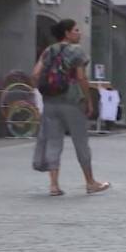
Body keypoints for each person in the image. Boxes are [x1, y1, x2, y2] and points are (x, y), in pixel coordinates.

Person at [31, 19, 110, 196]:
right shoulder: (77, 51)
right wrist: (89, 100)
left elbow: (35, 74)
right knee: (81, 142)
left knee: (53, 141)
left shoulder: (48, 50)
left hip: (50, 102)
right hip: (72, 102)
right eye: (76, 30)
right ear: (67, 33)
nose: (79, 33)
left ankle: (53, 185)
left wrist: (43, 91)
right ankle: (90, 182)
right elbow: (81, 78)